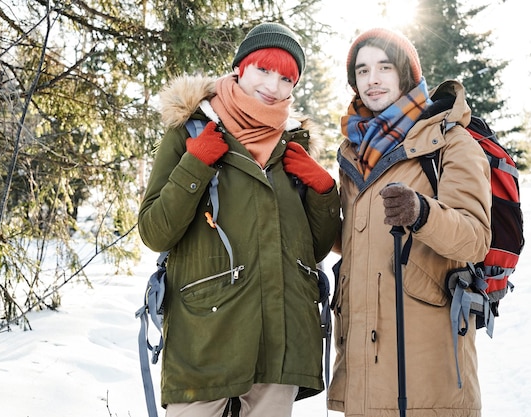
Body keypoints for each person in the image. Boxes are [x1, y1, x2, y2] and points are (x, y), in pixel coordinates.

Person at [138, 22, 341, 417]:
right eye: (263, 69)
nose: (273, 85)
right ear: (240, 68)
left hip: (279, 342)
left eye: (286, 78)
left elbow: (311, 251)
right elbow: (154, 231)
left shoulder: (293, 147)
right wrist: (193, 165)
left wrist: (322, 192)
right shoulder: (191, 130)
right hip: (204, 342)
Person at [327, 28, 492, 417]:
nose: (373, 79)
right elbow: (355, 240)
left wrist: (422, 213)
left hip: (427, 370)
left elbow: (475, 237)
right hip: (364, 365)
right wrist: (315, 199)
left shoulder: (450, 142)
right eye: (363, 70)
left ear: (405, 74)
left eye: (385, 67)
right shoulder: (353, 153)